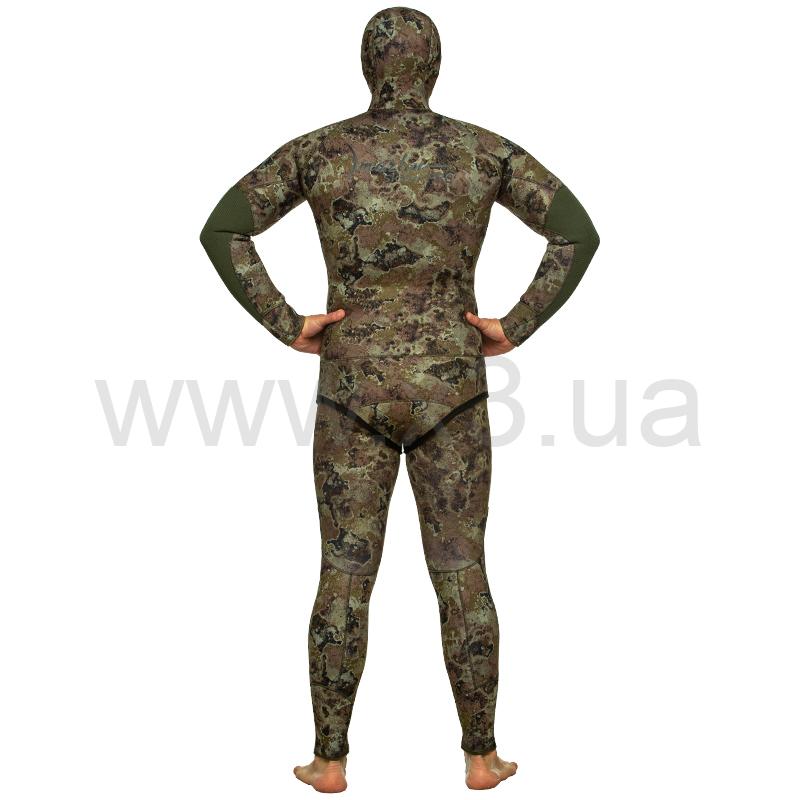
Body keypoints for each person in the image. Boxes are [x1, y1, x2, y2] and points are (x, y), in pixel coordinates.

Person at [199, 5, 599, 792]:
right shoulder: (484, 151)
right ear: (434, 67)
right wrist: (514, 325)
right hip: (453, 389)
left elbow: (224, 229)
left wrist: (289, 323)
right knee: (462, 569)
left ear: (367, 66)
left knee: (344, 574)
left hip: (351, 388)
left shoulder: (319, 151)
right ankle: (481, 757)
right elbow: (576, 233)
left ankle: (329, 760)